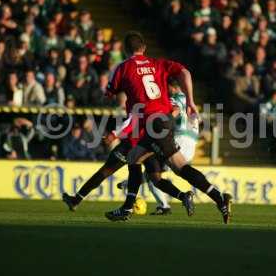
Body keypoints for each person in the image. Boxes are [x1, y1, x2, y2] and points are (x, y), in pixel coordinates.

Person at [104, 31, 232, 224]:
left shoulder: (123, 67)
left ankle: (219, 198)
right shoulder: (157, 64)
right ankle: (126, 208)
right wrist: (191, 101)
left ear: (124, 49)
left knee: (180, 168)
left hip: (154, 122)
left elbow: (109, 93)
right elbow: (185, 72)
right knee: (134, 157)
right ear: (144, 48)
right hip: (162, 120)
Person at [62, 113, 194, 215]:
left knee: (104, 172)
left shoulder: (137, 98)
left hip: (132, 145)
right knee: (156, 179)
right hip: (150, 146)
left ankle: (76, 200)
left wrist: (114, 135)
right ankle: (183, 197)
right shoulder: (155, 100)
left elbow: (131, 121)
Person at [117, 78, 199, 215]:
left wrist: (163, 123)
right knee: (153, 171)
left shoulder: (175, 99)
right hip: (190, 143)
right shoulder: (188, 99)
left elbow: (175, 111)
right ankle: (165, 203)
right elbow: (195, 118)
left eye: (165, 88)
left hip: (178, 141)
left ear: (171, 87)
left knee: (152, 173)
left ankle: (164, 204)